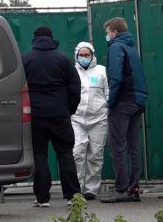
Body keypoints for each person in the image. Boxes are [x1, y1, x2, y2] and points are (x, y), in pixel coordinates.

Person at [22, 26, 82, 207]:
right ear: (51, 37)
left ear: (35, 38)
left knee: (39, 155)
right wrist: (69, 109)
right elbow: (75, 88)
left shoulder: (26, 59)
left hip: (36, 116)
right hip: (59, 115)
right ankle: (72, 196)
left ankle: (42, 197)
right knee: (65, 154)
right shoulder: (63, 59)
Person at [100, 17, 148, 203]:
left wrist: (110, 102)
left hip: (123, 101)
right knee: (134, 147)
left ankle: (121, 189)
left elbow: (115, 77)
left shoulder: (115, 48)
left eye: (107, 32)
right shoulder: (131, 49)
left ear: (114, 32)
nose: (107, 35)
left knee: (117, 146)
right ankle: (133, 189)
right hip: (138, 100)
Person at [71, 41, 109, 200]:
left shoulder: (102, 71)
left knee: (96, 154)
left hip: (99, 119)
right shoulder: (72, 71)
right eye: (81, 55)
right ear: (76, 55)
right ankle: (76, 189)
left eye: (87, 55)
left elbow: (108, 91)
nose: (84, 57)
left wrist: (106, 106)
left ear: (93, 55)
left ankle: (91, 190)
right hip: (76, 118)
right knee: (77, 153)